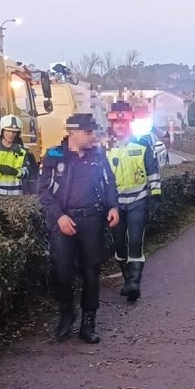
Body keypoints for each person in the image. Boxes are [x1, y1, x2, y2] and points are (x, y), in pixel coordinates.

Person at [38, 114, 120, 343]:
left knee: (91, 272)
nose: (92, 136)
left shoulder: (98, 155)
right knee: (61, 272)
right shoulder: (54, 155)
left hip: (92, 219)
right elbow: (43, 192)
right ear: (73, 132)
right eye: (88, 132)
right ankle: (66, 312)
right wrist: (60, 217)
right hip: (63, 221)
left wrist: (113, 206)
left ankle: (88, 322)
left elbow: (109, 182)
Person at [109, 108, 163, 302]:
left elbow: (152, 171)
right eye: (117, 123)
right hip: (114, 206)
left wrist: (155, 195)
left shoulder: (142, 144)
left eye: (123, 123)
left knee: (135, 242)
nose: (120, 126)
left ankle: (134, 282)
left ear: (129, 124)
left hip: (138, 201)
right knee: (118, 245)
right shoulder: (105, 147)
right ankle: (126, 278)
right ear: (112, 126)